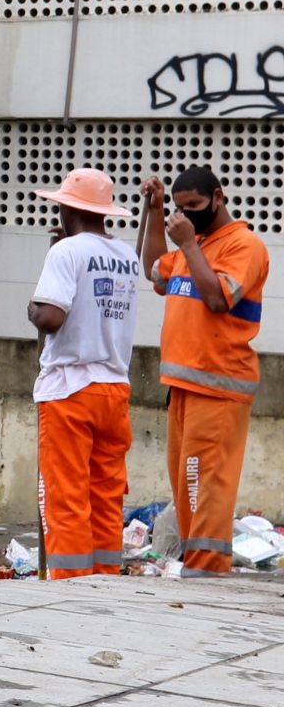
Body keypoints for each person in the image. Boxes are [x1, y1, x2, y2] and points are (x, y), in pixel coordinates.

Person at [140, 166, 268, 574]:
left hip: (218, 389)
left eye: (192, 206)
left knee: (203, 490)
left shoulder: (243, 245)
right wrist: (156, 211)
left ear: (218, 196)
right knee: (186, 490)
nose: (187, 214)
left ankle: (207, 572)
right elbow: (154, 269)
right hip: (182, 385)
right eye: (180, 208)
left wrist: (189, 245)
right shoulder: (190, 243)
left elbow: (217, 298)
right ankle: (199, 570)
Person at [26, 169, 141, 578]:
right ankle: (104, 583)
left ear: (68, 207)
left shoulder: (64, 253)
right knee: (106, 495)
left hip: (70, 391)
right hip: (114, 390)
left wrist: (33, 307)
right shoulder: (127, 256)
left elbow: (51, 317)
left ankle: (70, 589)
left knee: (66, 497)